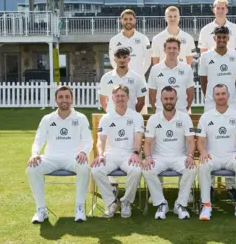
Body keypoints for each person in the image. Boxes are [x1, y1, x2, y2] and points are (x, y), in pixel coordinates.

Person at [26, 86, 92, 223]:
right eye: (61, 97)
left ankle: (79, 208)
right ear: (56, 100)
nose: (64, 100)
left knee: (84, 166)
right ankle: (41, 210)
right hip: (51, 158)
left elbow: (88, 141)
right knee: (32, 168)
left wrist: (83, 152)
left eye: (67, 97)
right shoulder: (47, 118)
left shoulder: (81, 118)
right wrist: (34, 153)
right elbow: (38, 140)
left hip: (73, 157)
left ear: (72, 99)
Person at [142, 86, 197, 220]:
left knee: (191, 168)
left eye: (171, 98)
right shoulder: (154, 119)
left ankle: (180, 205)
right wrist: (148, 157)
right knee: (148, 169)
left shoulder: (184, 118)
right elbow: (147, 143)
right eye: (166, 98)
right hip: (159, 158)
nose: (169, 101)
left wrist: (190, 156)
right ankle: (161, 204)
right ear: (161, 100)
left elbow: (191, 141)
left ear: (176, 100)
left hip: (179, 157)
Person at [196, 84, 236, 221]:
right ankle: (206, 206)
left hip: (231, 155)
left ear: (228, 96)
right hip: (213, 155)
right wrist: (202, 151)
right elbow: (200, 141)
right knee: (203, 165)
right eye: (217, 94)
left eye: (223, 93)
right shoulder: (206, 117)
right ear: (213, 97)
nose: (220, 96)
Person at [91, 85, 144, 218]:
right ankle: (111, 203)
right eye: (117, 96)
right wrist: (101, 154)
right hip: (111, 154)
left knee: (136, 170)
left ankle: (126, 202)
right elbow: (100, 140)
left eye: (123, 96)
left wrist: (136, 152)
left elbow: (138, 137)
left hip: (129, 154)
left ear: (128, 98)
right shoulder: (106, 118)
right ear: (112, 98)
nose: (120, 99)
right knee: (96, 170)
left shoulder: (136, 116)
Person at [199, 26, 236, 112]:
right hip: (211, 102)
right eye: (219, 37)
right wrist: (210, 97)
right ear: (214, 38)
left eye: (224, 37)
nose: (221, 40)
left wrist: (231, 94)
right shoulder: (205, 56)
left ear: (228, 38)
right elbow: (203, 80)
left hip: (231, 102)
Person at [148, 37, 194, 113]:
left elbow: (190, 94)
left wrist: (184, 109)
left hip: (181, 112)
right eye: (169, 48)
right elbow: (152, 94)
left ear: (179, 51)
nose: (172, 51)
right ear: (164, 50)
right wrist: (158, 110)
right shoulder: (155, 69)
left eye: (174, 48)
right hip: (161, 113)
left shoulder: (187, 68)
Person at [99, 47, 147, 113]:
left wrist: (132, 114)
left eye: (124, 57)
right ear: (115, 59)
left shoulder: (137, 78)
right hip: (112, 118)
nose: (122, 60)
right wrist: (111, 113)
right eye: (119, 57)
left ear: (129, 59)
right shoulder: (106, 77)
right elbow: (102, 100)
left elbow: (141, 102)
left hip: (130, 119)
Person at [109, 9, 151, 78]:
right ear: (121, 20)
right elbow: (112, 60)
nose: (128, 21)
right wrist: (121, 74)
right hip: (121, 78)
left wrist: (139, 75)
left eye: (130, 19)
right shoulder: (114, 40)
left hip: (139, 79)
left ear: (135, 20)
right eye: (125, 19)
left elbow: (148, 60)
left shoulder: (143, 38)